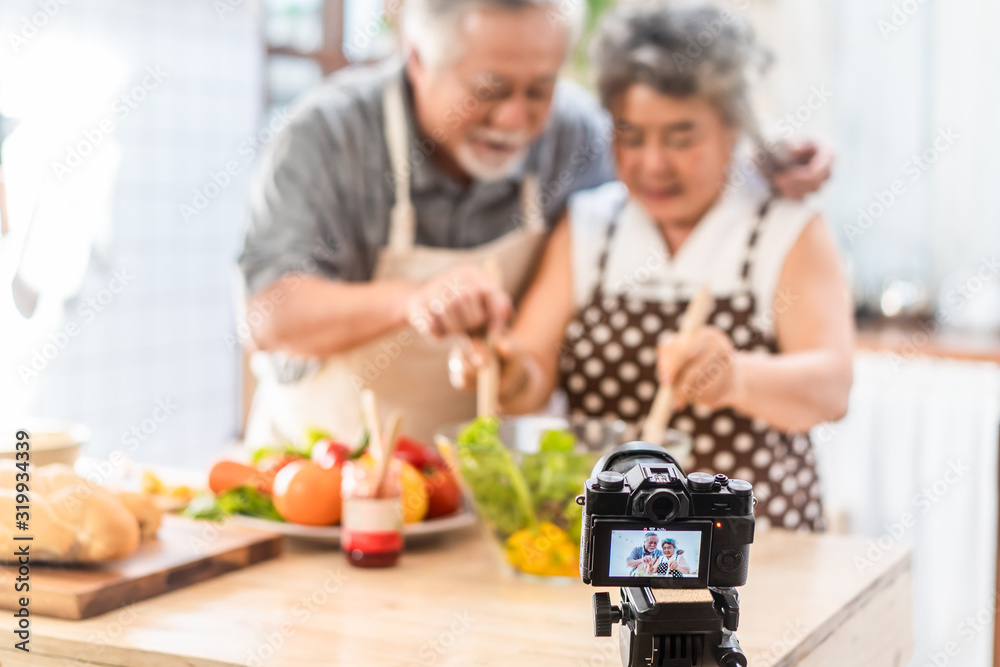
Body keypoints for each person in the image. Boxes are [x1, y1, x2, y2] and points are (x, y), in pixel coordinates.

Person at [239, 0, 834, 447]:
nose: (517, 118)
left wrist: (759, 158)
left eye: (539, 88)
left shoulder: (573, 134)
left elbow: (662, 151)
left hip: (477, 494)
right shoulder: (326, 137)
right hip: (322, 472)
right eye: (489, 89)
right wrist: (412, 300)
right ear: (417, 60)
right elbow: (268, 315)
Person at [450, 2, 854, 531]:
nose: (653, 163)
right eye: (631, 135)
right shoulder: (591, 225)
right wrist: (500, 369)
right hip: (617, 545)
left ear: (731, 126)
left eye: (681, 137)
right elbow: (531, 378)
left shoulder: (785, 229)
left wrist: (735, 380)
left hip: (756, 545)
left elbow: (832, 388)